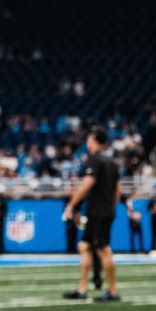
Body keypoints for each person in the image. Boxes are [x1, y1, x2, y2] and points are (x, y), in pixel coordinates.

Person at [62, 128, 121, 301]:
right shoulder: (112, 162)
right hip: (104, 210)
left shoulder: (94, 160)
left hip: (98, 212)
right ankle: (81, 289)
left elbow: (87, 183)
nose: (87, 141)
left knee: (103, 250)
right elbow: (118, 190)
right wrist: (110, 206)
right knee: (84, 246)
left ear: (94, 139)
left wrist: (71, 204)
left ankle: (112, 291)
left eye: (89, 138)